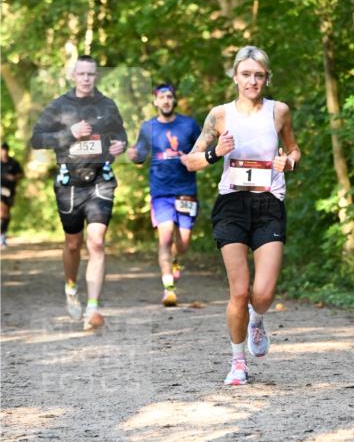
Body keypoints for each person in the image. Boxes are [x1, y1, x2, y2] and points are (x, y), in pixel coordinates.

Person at [182, 46, 301, 385]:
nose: (252, 81)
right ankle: (237, 363)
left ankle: (257, 320)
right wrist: (215, 152)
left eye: (259, 75)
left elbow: (294, 148)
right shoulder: (220, 115)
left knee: (262, 294)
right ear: (235, 76)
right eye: (246, 74)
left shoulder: (279, 112)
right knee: (239, 290)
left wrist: (289, 161)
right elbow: (190, 161)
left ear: (267, 78)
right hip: (232, 205)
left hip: (268, 205)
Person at [31, 55, 127, 329]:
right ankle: (71, 287)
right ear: (73, 75)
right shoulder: (59, 106)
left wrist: (119, 145)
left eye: (91, 74)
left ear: (96, 76)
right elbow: (37, 139)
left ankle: (93, 309)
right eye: (82, 74)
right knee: (73, 243)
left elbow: (120, 134)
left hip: (101, 180)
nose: (86, 78)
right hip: (69, 184)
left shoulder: (107, 105)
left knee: (96, 241)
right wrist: (69, 133)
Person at [128, 84, 201, 305]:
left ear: (174, 100)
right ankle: (168, 288)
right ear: (156, 102)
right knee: (165, 236)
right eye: (162, 97)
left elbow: (202, 150)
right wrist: (133, 155)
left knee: (183, 243)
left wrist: (191, 159)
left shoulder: (189, 125)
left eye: (170, 97)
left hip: (186, 191)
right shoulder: (148, 127)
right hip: (160, 191)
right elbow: (139, 157)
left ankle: (176, 259)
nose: (166, 100)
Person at [0, 141, 24, 247]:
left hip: (10, 191)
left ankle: (3, 235)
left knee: (7, 214)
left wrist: (14, 177)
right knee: (2, 211)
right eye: (2, 150)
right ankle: (1, 236)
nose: (4, 152)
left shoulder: (13, 163)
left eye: (5, 150)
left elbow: (21, 174)